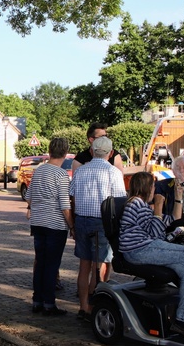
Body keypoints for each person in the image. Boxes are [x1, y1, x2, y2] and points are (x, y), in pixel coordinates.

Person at [119, 171, 184, 340]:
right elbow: (155, 233)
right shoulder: (135, 204)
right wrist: (158, 206)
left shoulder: (141, 206)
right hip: (141, 250)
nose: (155, 190)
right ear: (147, 187)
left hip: (147, 248)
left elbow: (174, 219)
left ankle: (182, 321)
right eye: (153, 186)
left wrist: (178, 196)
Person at [69, 136, 126, 320]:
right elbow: (119, 201)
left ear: (92, 151)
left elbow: (72, 196)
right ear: (110, 153)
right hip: (102, 222)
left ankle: (83, 306)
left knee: (84, 265)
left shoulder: (80, 171)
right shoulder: (113, 172)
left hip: (81, 220)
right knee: (99, 265)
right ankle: (94, 306)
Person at [26, 138, 74, 316]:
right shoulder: (61, 175)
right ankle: (49, 303)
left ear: (50, 151)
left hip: (38, 223)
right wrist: (72, 226)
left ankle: (37, 300)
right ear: (65, 153)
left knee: (40, 262)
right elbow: (64, 205)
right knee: (52, 265)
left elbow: (29, 197)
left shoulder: (38, 171)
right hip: (55, 225)